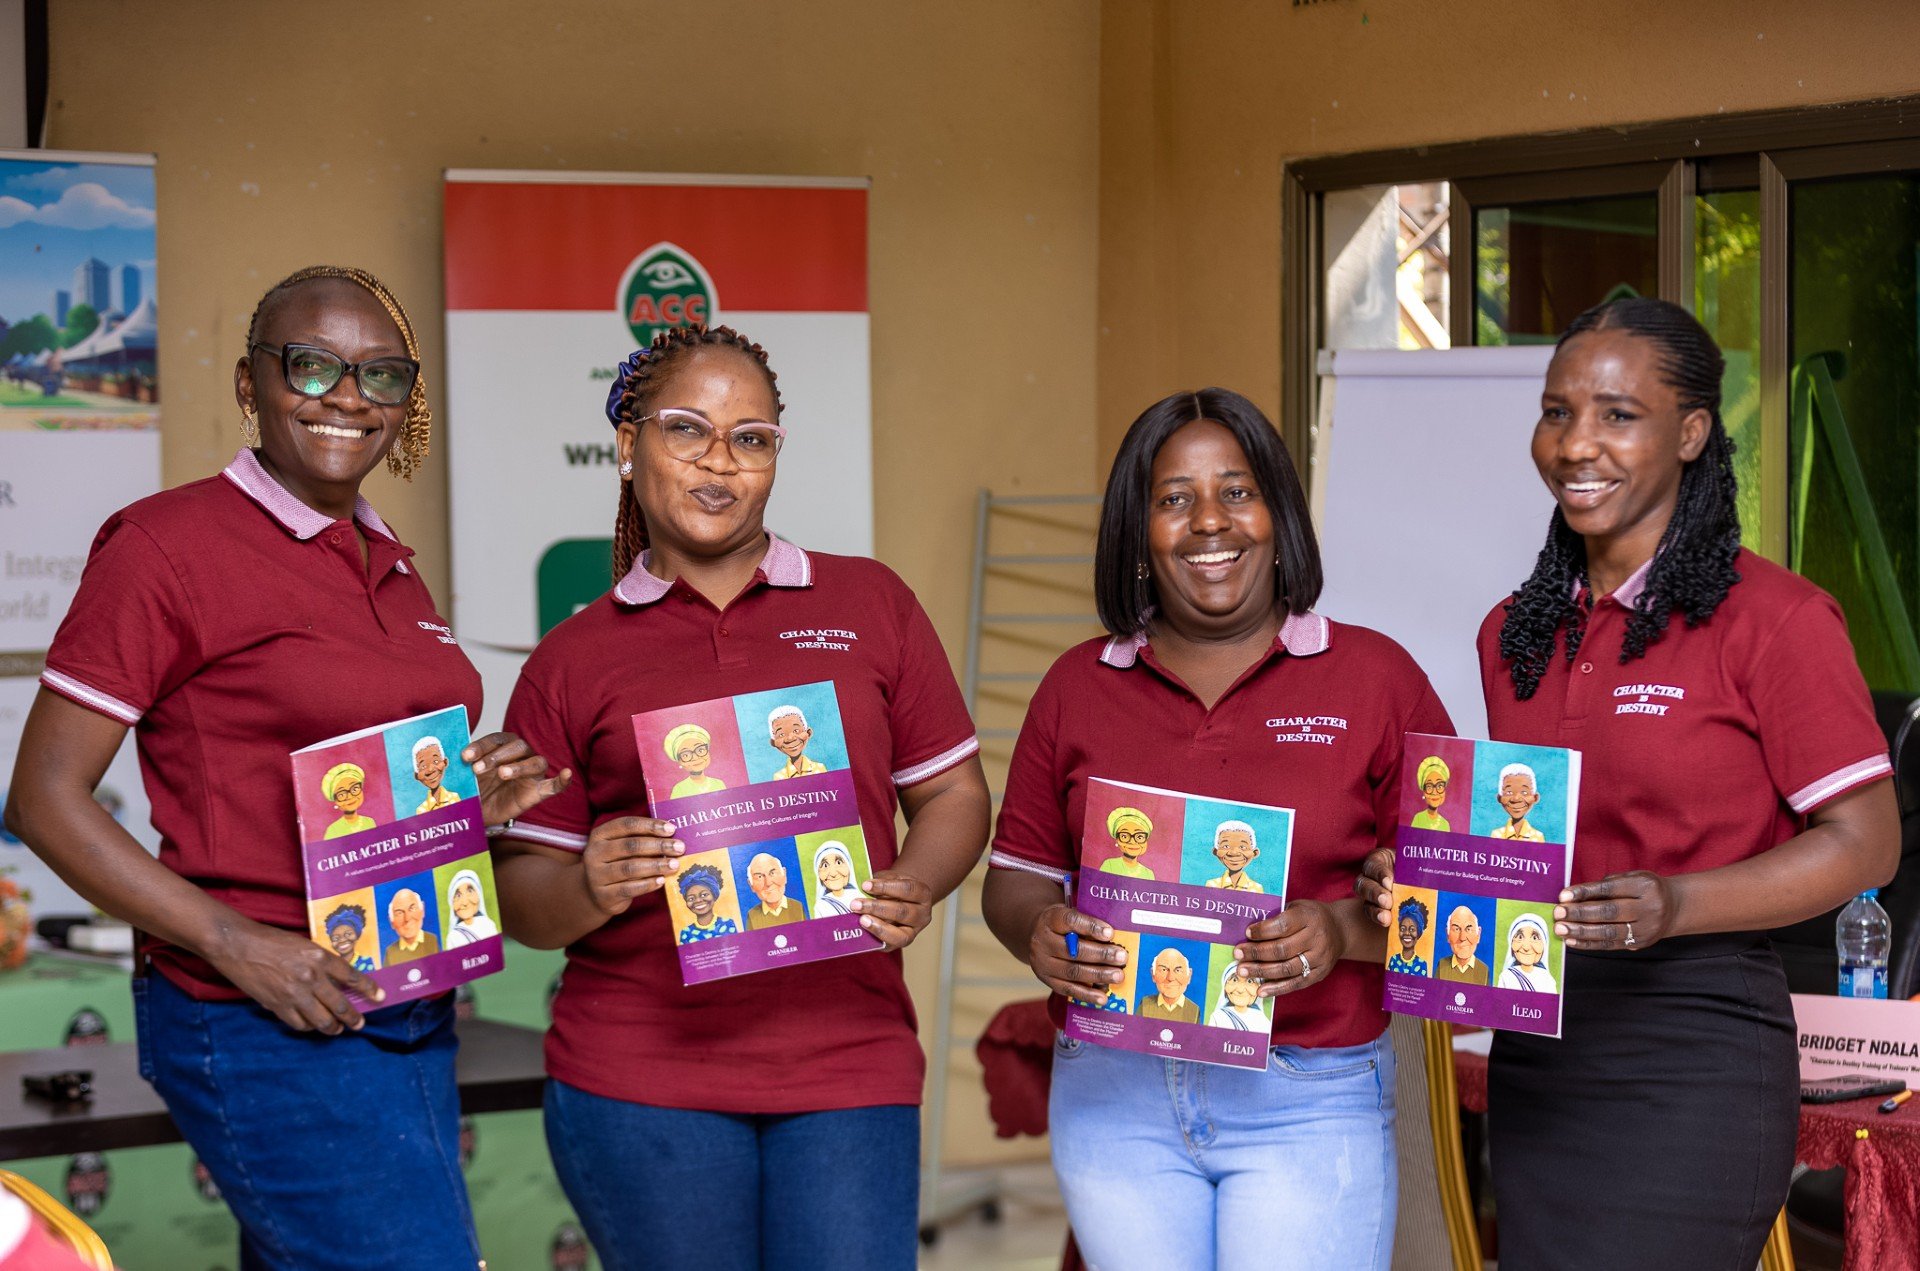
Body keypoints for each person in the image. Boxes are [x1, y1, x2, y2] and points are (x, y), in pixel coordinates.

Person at [3, 266, 567, 1271]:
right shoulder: (166, 546)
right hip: (265, 1014)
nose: (349, 397)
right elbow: (42, 797)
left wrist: (469, 810)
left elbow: (341, 788)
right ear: (248, 383)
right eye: (313, 364)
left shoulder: (386, 558)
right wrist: (233, 938)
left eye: (382, 375)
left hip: (404, 997)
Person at [1360, 298, 1898, 1271]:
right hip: (1543, 1047)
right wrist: (1424, 876)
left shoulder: (1773, 619)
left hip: (1697, 1049)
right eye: (1557, 411)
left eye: (1618, 414)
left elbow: (1866, 841)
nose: (1578, 444)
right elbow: (1527, 847)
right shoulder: (1513, 632)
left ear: (1692, 433)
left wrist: (1679, 898)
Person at [488, 323, 990, 1271]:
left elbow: (956, 793)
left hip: (849, 1060)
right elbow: (526, 900)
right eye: (689, 430)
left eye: (752, 437)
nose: (722, 462)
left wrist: (917, 881)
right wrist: (593, 882)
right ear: (629, 446)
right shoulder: (574, 656)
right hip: (642, 1074)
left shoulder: (870, 605)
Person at [982, 386, 1452, 1271]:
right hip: (1114, 1094)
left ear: (1278, 512)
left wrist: (1340, 931)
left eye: (1237, 490)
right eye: (1174, 498)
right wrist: (1038, 931)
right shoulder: (1077, 685)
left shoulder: (1376, 679)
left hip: (1309, 1091)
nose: (1209, 522)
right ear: (1138, 526)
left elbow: (1467, 896)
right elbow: (1016, 878)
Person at [674, 863, 738, 943]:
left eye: (704, 894)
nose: (698, 900)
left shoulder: (728, 924)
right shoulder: (686, 933)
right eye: (691, 898)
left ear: (714, 895)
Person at [743, 851, 805, 929]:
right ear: (751, 885)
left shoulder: (798, 907)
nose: (768, 883)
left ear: (784, 875)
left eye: (772, 873)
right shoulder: (752, 916)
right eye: (759, 877)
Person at [1137, 947, 1200, 1022]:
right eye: (1164, 970)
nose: (1171, 978)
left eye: (1178, 970)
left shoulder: (1194, 1010)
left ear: (1189, 976)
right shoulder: (1145, 1004)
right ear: (1153, 975)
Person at [1497, 913, 1556, 992]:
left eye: (1535, 938)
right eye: (1520, 937)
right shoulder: (1506, 976)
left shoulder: (1547, 979)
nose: (1526, 947)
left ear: (1544, 945)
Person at [663, 723, 724, 797]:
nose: (695, 757)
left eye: (700, 750)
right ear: (680, 761)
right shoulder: (679, 789)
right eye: (686, 755)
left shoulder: (718, 784)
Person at [768, 705, 829, 779]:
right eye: (781, 734)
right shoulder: (779, 777)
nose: (790, 738)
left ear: (808, 733)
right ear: (773, 743)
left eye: (796, 731)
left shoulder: (820, 769)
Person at [1490, 762, 1546, 841]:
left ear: (1535, 798)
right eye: (1509, 792)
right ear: (1499, 798)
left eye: (1524, 792)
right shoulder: (1496, 835)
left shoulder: (1538, 837)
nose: (1516, 799)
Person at [1434, 905, 1489, 984]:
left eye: (1468, 929)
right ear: (1448, 934)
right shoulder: (1441, 966)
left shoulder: (1484, 970)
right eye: (1456, 929)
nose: (1462, 937)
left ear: (1478, 934)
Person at [1204, 819, 1264, 891]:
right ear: (1215, 851)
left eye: (1243, 847)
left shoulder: (1257, 888)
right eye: (1226, 846)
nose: (1234, 853)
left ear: (1255, 853)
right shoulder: (1211, 885)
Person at [1096, 806, 1155, 878]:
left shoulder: (1148, 873)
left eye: (1139, 837)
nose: (1132, 842)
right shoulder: (1110, 865)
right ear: (1117, 840)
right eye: (1125, 836)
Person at [1209, 962, 1270, 1031]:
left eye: (1249, 981)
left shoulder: (1262, 1021)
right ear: (1225, 987)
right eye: (1234, 980)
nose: (1240, 990)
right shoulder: (1218, 1017)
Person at [445, 868, 499, 947]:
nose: (465, 902)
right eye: (458, 895)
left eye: (470, 891)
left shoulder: (488, 925)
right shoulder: (453, 936)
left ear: (479, 895)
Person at [320, 763, 376, 839]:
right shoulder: (333, 830)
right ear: (336, 801)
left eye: (354, 789)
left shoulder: (369, 822)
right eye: (341, 794)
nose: (349, 797)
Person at [383, 888, 438, 963]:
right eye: (399, 913)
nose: (407, 918)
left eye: (412, 908)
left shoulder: (434, 940)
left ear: (422, 911)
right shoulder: (390, 953)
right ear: (392, 922)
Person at [810, 840, 863, 916]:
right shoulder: (821, 906)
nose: (833, 873)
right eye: (825, 865)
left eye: (839, 862)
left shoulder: (858, 897)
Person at [323, 902, 377, 972]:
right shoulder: (332, 968)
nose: (342, 940)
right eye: (335, 938)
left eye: (348, 934)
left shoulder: (367, 962)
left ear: (357, 935)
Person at [412, 737, 461, 814]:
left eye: (436, 761)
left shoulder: (455, 798)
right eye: (423, 766)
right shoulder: (421, 810)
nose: (430, 769)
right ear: (417, 776)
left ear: (445, 762)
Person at [1387, 897, 1429, 975]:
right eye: (1403, 929)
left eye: (1412, 929)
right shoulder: (1393, 960)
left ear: (1418, 934)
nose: (1406, 933)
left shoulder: (1422, 965)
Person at [1409, 756, 1450, 831]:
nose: (1434, 792)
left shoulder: (1445, 824)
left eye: (1440, 785)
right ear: (1424, 792)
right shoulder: (1418, 818)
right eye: (1429, 787)